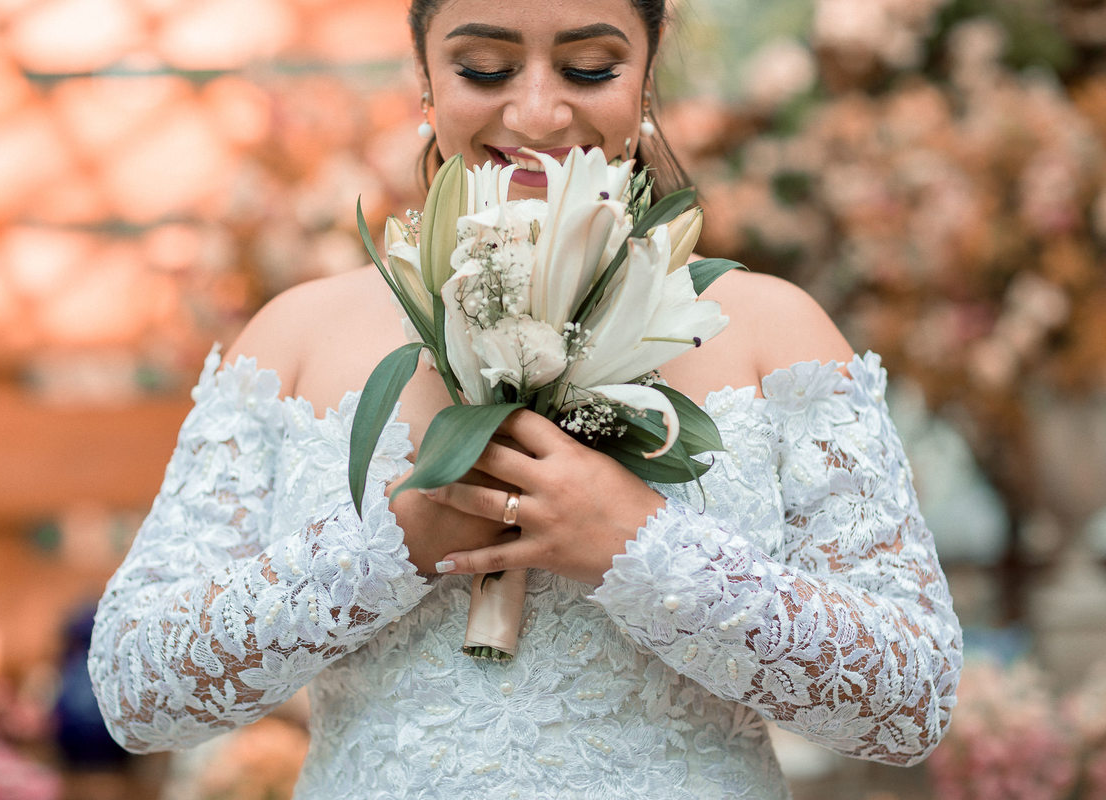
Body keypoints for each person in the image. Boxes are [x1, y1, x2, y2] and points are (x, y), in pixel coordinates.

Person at [88, 0, 963, 797]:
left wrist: (641, 548)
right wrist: (393, 544)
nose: (539, 113)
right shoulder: (297, 337)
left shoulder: (774, 333)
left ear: (647, 76)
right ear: (424, 78)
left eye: (589, 68)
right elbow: (135, 690)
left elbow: (912, 703)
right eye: (485, 69)